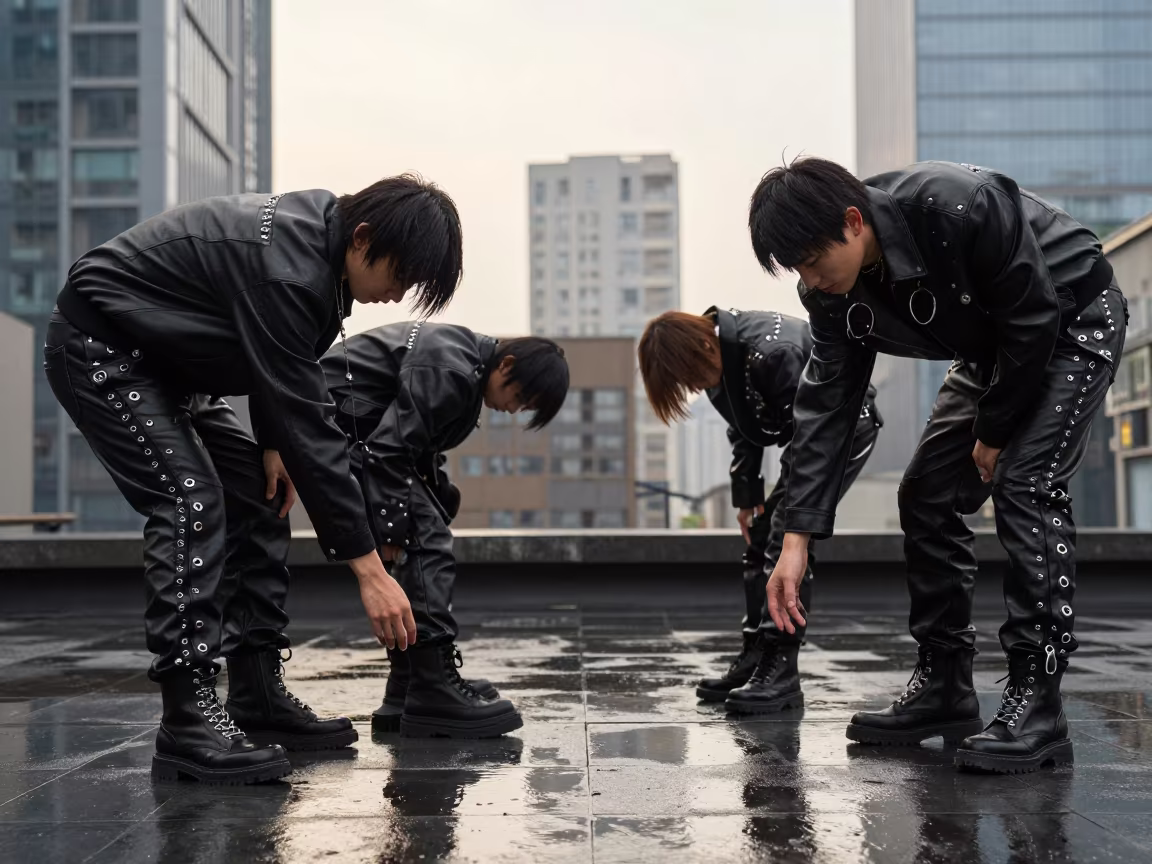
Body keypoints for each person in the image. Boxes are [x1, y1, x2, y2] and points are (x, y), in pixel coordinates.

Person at [44, 174, 463, 783]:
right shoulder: (289, 267)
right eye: (399, 276)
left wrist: (271, 444)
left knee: (261, 495)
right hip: (101, 348)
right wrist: (369, 571)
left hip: (171, 368)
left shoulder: (318, 252)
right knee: (190, 502)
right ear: (364, 236)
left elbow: (282, 366)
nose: (397, 295)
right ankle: (187, 721)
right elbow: (310, 424)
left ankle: (257, 696)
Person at [748, 157, 1126, 773]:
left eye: (815, 262)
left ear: (853, 222)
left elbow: (1033, 317)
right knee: (924, 495)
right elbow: (825, 409)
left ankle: (1038, 704)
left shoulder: (957, 204)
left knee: (1025, 482)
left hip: (1069, 321)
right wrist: (795, 538)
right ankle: (944, 686)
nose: (812, 281)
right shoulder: (828, 294)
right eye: (798, 271)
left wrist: (994, 429)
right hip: (992, 350)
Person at [322, 322, 569, 738]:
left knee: (428, 525)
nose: (514, 409)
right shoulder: (453, 369)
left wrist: (436, 499)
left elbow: (415, 443)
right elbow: (390, 448)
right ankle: (432, 686)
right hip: (330, 428)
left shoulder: (465, 363)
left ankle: (407, 685)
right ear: (506, 365)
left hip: (349, 432)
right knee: (429, 541)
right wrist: (390, 531)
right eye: (520, 397)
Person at [638, 307, 881, 713]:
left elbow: (813, 437)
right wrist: (747, 495)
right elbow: (744, 428)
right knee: (760, 540)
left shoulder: (774, 353)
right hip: (807, 440)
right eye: (684, 383)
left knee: (786, 539)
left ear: (702, 344)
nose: (694, 386)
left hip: (844, 428)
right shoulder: (716, 355)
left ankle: (780, 667)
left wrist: (794, 528)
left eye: (691, 376)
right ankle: (756, 654)